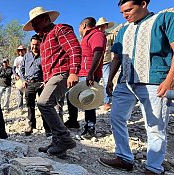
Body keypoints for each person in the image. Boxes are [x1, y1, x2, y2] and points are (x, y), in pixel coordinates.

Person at [98, 1, 174, 174]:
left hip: (155, 81)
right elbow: (117, 57)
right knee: (116, 118)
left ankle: (153, 168)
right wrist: (110, 80)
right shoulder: (124, 29)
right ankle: (124, 157)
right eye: (122, 12)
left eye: (129, 10)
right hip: (125, 81)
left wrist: (170, 79)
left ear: (144, 4)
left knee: (155, 126)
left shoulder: (164, 19)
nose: (125, 15)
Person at [23, 7, 81, 156]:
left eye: (36, 23)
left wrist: (74, 72)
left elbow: (74, 48)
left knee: (43, 103)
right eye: (33, 25)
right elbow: (50, 62)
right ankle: (57, 144)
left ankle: (63, 139)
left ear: (47, 19)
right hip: (53, 76)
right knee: (46, 104)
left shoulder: (60, 29)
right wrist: (46, 80)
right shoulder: (44, 39)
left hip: (63, 73)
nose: (34, 27)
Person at [64, 17, 106, 138]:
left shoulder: (96, 34)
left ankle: (90, 127)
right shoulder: (86, 38)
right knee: (70, 95)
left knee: (89, 99)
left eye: (79, 27)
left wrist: (91, 73)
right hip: (81, 73)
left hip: (88, 74)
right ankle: (73, 121)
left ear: (83, 25)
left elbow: (98, 52)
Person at [20, 34, 51, 137]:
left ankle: (47, 128)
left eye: (37, 45)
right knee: (30, 106)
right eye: (33, 44)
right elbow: (22, 70)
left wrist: (46, 81)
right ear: (30, 44)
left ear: (41, 44)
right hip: (28, 84)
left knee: (44, 106)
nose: (34, 47)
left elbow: (49, 70)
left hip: (41, 84)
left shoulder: (45, 55)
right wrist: (23, 80)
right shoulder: (26, 56)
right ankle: (31, 126)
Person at [96, 17, 115, 111]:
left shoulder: (110, 36)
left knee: (107, 81)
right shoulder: (94, 37)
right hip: (95, 63)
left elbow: (114, 48)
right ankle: (94, 100)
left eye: (102, 26)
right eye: (99, 26)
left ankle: (107, 101)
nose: (100, 28)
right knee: (93, 82)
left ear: (106, 26)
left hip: (106, 62)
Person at [13, 45, 27, 114]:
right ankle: (20, 108)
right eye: (19, 50)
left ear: (25, 50)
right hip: (19, 77)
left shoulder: (28, 57)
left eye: (22, 50)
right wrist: (15, 75)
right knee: (20, 93)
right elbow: (14, 68)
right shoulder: (17, 59)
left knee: (29, 93)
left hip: (27, 77)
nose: (20, 51)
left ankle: (30, 107)